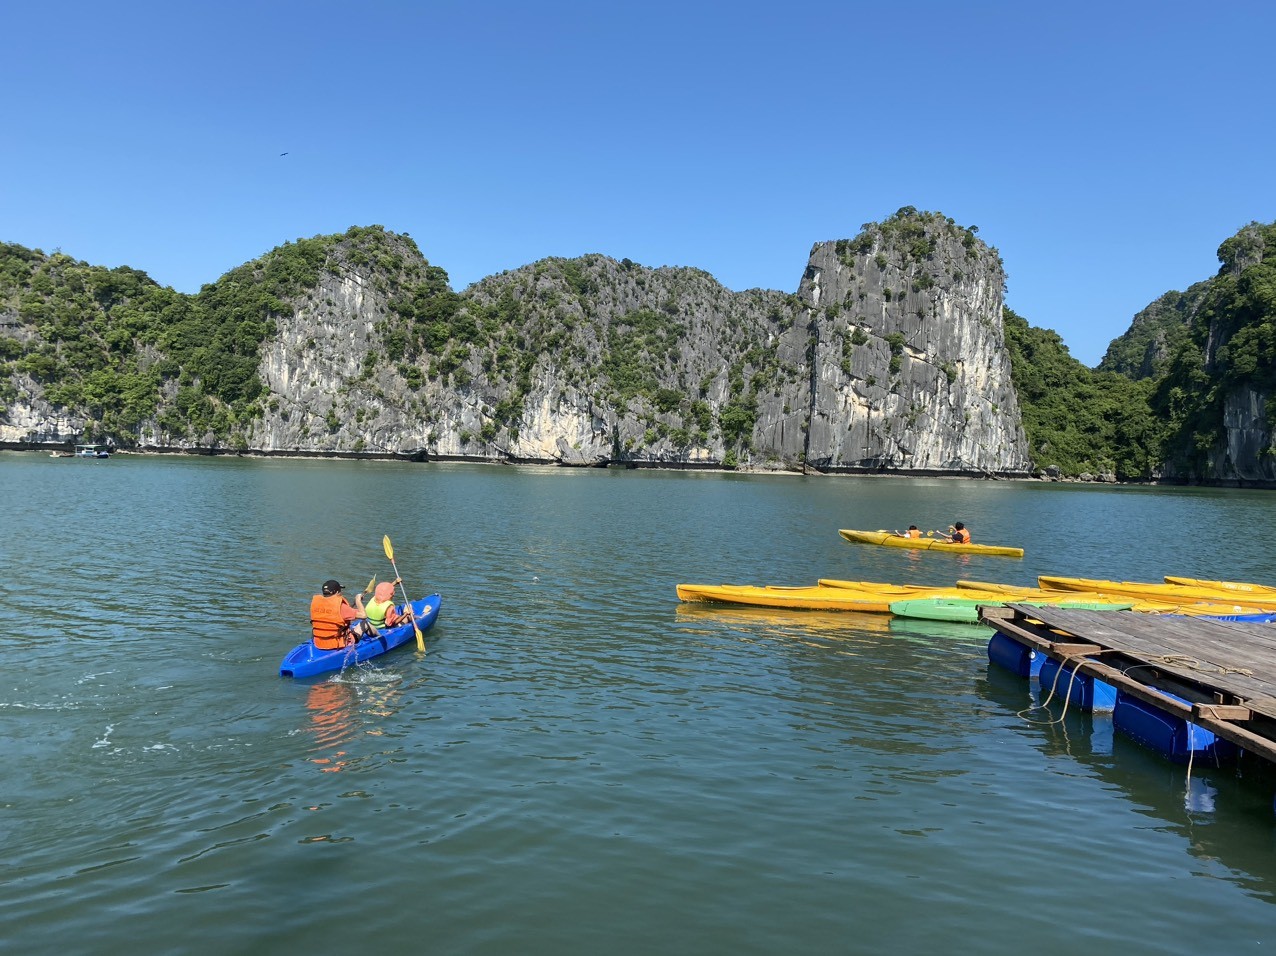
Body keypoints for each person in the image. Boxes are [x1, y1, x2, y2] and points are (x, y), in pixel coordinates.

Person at [309, 579, 369, 650]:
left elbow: (336, 615)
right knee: (365, 623)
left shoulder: (316, 604)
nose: (341, 593)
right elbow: (363, 615)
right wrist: (358, 601)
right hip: (336, 644)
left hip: (319, 643)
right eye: (340, 591)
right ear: (337, 592)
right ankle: (379, 637)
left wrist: (352, 605)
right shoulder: (341, 607)